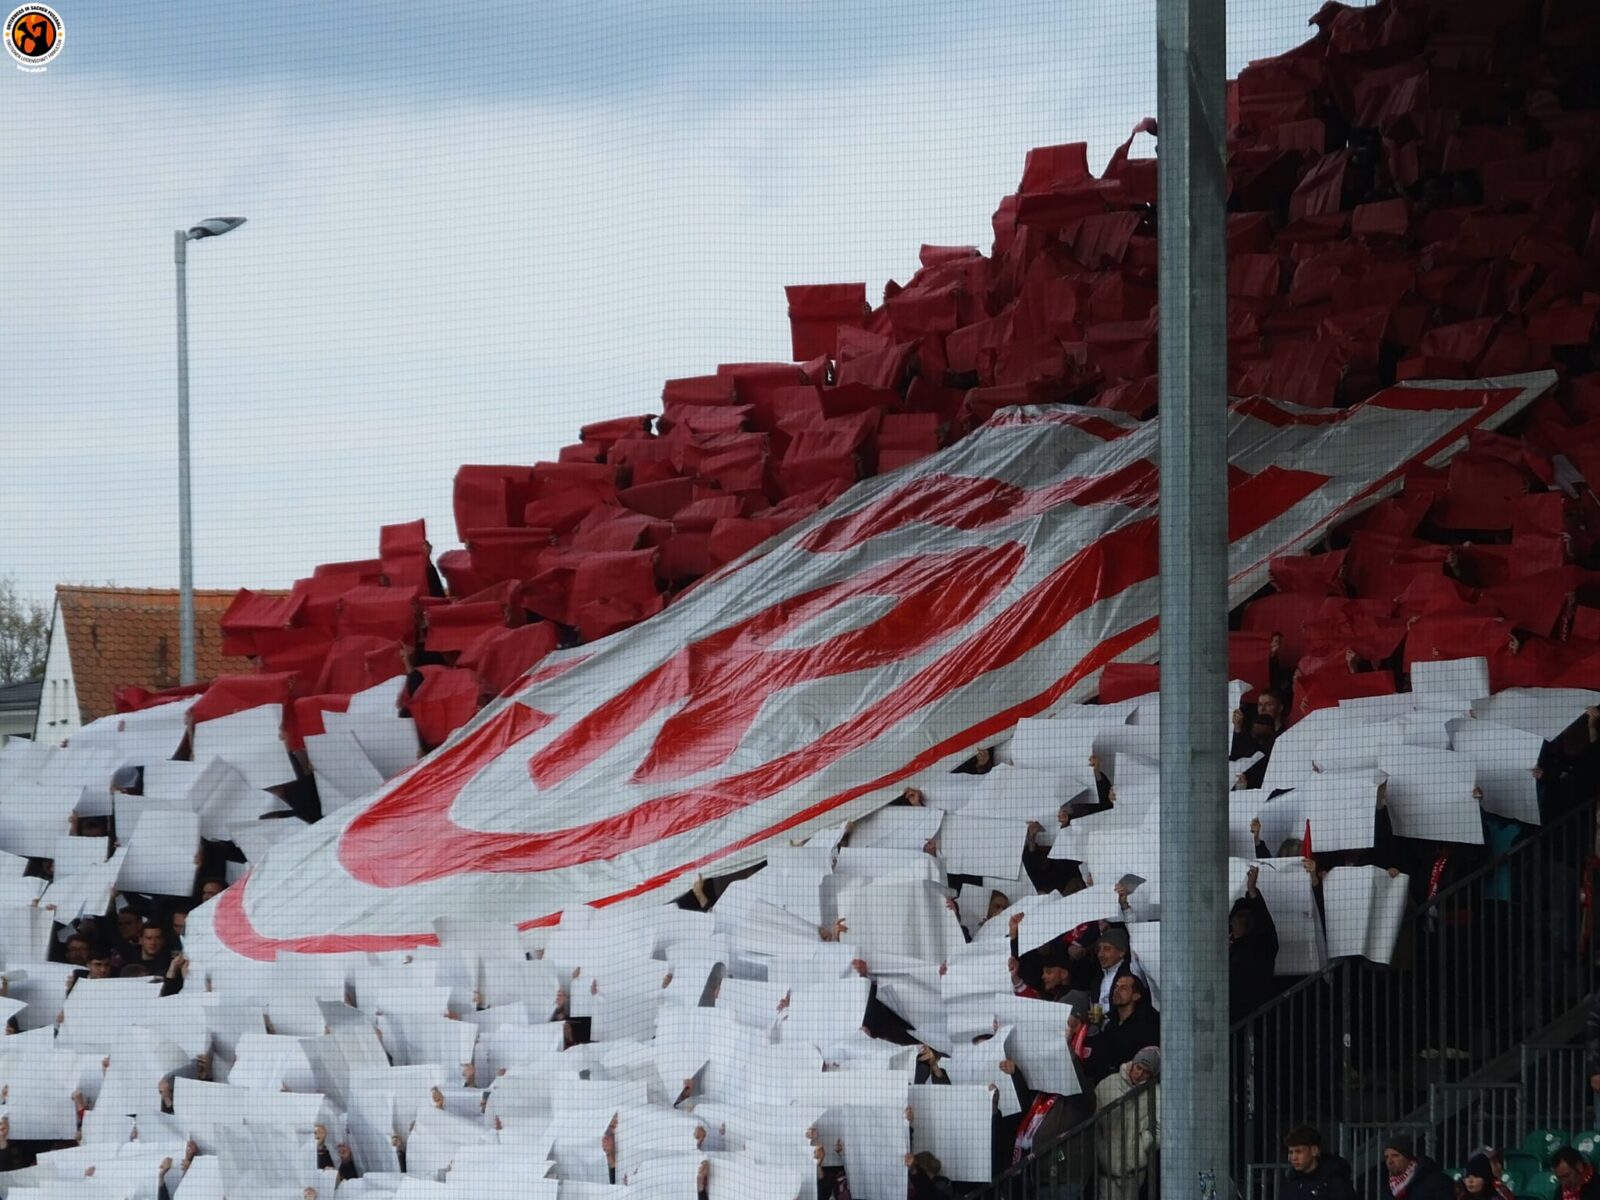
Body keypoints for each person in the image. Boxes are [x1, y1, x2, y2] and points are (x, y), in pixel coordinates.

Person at [1094, 1046, 1161, 1200]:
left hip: (1134, 1170)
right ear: (1132, 1064)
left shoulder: (1156, 1094)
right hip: (1106, 1166)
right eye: (1138, 1067)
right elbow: (1093, 1120)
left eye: (1146, 1072)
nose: (1140, 1073)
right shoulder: (1107, 1084)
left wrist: (1144, 1145)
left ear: (1152, 1075)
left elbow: (1161, 1128)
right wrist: (1101, 1149)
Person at [1082, 973, 1160, 1084]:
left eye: (1123, 988)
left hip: (1132, 1085)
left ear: (1136, 996)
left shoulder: (1146, 1023)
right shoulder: (1109, 1020)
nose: (1116, 991)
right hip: (1104, 1084)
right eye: (1116, 987)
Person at [1230, 865, 1280, 1021]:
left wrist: (1252, 890)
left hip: (1255, 1019)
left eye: (1247, 917)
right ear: (1231, 921)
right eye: (1240, 917)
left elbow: (1267, 927)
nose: (1243, 921)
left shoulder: (1261, 949)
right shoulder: (1222, 951)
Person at [1281, 1125, 1356, 1200]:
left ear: (1314, 1151)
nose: (1293, 1158)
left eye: (1299, 1152)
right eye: (1291, 1152)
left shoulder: (1335, 1182)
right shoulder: (1291, 1181)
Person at [1380, 1135, 1452, 1200]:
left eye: (1395, 1156)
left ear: (1407, 1157)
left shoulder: (1435, 1181)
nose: (1390, 1161)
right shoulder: (1388, 1189)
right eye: (1386, 1157)